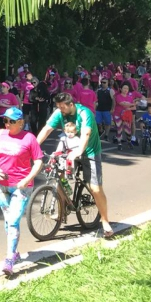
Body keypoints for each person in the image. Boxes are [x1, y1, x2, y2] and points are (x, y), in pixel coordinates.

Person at [36, 92, 114, 238]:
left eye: (62, 107)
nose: (60, 110)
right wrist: (33, 147)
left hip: (89, 151)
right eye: (58, 107)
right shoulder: (59, 113)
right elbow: (47, 129)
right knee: (58, 175)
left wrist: (78, 151)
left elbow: (86, 133)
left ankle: (105, 221)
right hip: (69, 151)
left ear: (71, 105)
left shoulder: (84, 113)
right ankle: (64, 206)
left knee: (95, 188)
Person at [0, 107, 43, 276]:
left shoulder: (29, 138)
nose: (7, 124)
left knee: (13, 220)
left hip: (21, 187)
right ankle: (14, 252)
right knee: (8, 220)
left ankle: (9, 258)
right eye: (5, 120)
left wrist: (27, 178)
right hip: (0, 185)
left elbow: (39, 162)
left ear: (21, 123)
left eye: (11, 121)